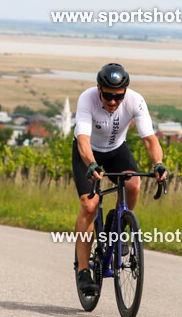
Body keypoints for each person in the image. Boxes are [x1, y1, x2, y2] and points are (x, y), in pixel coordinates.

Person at [72, 63, 167, 294]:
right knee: (89, 204)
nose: (113, 102)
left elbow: (149, 139)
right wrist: (90, 163)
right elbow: (83, 139)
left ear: (125, 93)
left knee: (134, 184)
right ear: (98, 89)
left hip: (116, 150)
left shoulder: (135, 100)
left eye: (118, 97)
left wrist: (158, 164)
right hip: (88, 152)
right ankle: (83, 270)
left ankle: (119, 225)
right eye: (108, 96)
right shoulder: (87, 99)